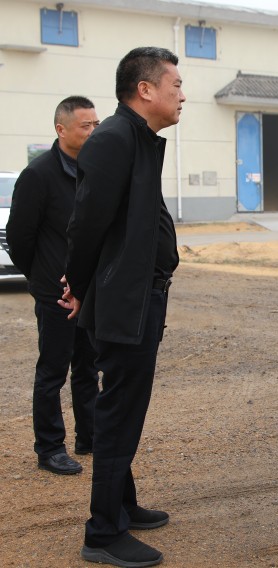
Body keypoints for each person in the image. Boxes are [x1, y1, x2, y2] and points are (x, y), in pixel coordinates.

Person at [59, 46, 185, 568]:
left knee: (125, 407)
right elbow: (86, 225)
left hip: (139, 295)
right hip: (124, 300)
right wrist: (80, 286)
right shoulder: (114, 140)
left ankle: (123, 505)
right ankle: (103, 532)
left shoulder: (139, 139)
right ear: (145, 89)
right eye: (176, 84)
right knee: (119, 413)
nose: (183, 95)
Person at [6, 96, 101, 475]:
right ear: (61, 130)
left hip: (89, 291)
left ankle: (89, 436)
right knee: (52, 372)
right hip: (55, 295)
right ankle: (49, 448)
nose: (93, 131)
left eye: (96, 124)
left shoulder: (94, 169)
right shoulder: (39, 175)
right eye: (85, 126)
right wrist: (43, 279)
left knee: (88, 368)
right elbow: (20, 238)